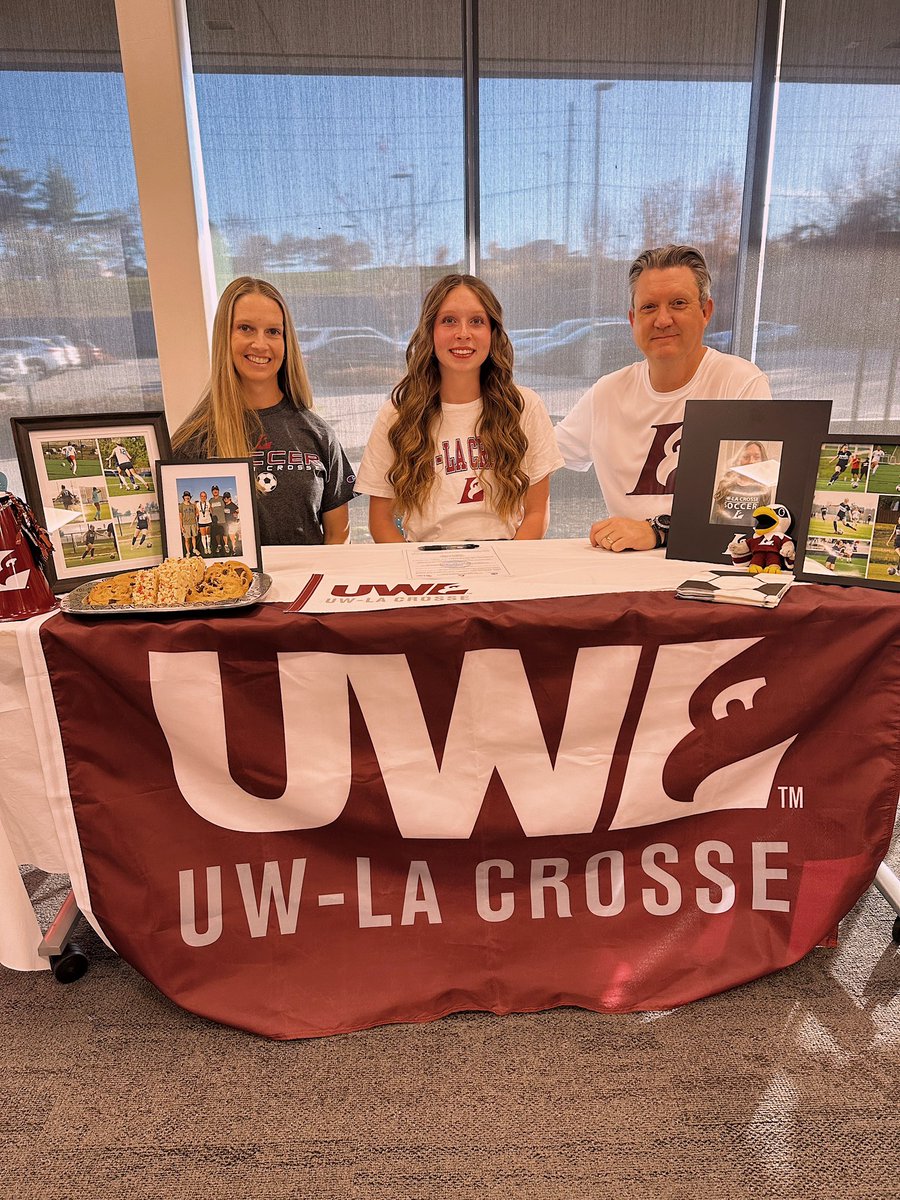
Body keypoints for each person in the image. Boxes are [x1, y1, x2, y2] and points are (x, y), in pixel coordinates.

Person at [553, 244, 772, 552]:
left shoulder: (739, 384)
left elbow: (752, 507)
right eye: (649, 307)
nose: (663, 320)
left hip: (710, 563)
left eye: (678, 303)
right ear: (633, 320)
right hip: (624, 564)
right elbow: (538, 456)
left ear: (706, 311)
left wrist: (657, 531)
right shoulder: (607, 393)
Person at [355, 273, 563, 542]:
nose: (463, 334)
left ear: (492, 332)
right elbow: (381, 521)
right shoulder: (397, 414)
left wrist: (510, 564)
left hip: (507, 558)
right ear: (430, 331)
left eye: (476, 321)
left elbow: (537, 512)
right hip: (424, 560)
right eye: (449, 321)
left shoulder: (524, 406)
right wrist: (415, 566)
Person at [171, 276, 356, 546]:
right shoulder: (193, 442)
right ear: (224, 337)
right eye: (245, 328)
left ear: (286, 342)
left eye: (273, 332)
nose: (260, 344)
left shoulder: (319, 435)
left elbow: (339, 535)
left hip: (311, 575)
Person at [711, 439, 775, 525]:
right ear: (739, 459)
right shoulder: (725, 484)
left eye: (756, 457)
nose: (751, 461)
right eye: (746, 457)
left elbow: (763, 522)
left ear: (762, 461)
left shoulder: (764, 488)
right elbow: (714, 517)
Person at [179, 490, 199, 555]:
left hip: (193, 523)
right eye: (186, 496)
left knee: (194, 537)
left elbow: (196, 514)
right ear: (184, 497)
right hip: (186, 525)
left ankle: (194, 549)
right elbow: (180, 517)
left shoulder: (193, 505)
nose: (187, 497)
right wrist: (181, 527)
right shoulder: (181, 505)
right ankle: (188, 552)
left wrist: (197, 525)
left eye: (188, 496)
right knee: (187, 539)